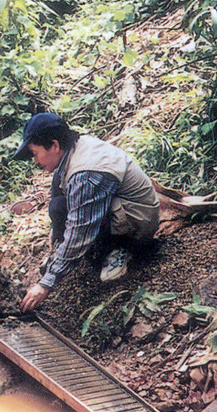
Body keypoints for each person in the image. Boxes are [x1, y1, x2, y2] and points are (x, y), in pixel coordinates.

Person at [14, 112, 160, 313]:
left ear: (54, 145)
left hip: (137, 221)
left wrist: (45, 284)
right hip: (120, 208)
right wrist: (57, 238)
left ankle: (119, 250)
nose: (35, 160)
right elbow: (59, 199)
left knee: (81, 225)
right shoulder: (71, 150)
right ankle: (69, 255)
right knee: (58, 205)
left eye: (35, 153)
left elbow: (80, 231)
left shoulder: (86, 175)